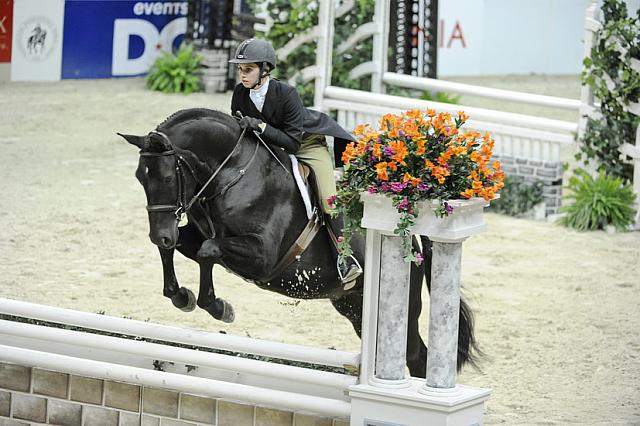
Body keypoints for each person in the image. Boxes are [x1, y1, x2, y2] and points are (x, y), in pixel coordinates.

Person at [229, 38, 362, 290]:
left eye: (248, 69)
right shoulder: (240, 94)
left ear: (264, 69)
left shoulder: (286, 93)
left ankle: (345, 257)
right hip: (270, 145)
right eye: (240, 69)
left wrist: (261, 126)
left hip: (306, 144)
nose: (242, 75)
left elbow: (291, 143)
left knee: (328, 199)